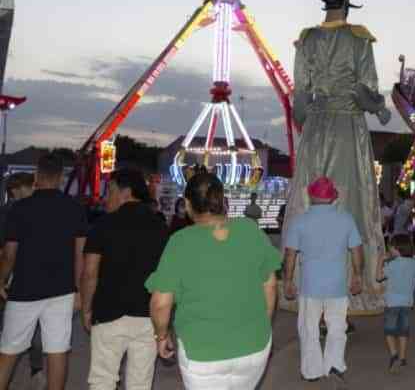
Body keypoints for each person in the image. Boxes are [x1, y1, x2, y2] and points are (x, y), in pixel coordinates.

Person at [282, 0, 389, 314]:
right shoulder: (359, 39)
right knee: (350, 203)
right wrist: (379, 108)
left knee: (309, 201)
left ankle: (306, 286)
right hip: (347, 127)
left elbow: (300, 99)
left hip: (316, 128)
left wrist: (308, 122)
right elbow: (365, 91)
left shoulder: (307, 39)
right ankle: (350, 289)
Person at [146, 172, 281, 389]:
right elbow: (270, 285)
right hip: (254, 348)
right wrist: (260, 325)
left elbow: (161, 304)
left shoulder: (180, 242)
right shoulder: (250, 231)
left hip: (202, 354)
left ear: (187, 204)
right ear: (222, 199)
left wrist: (161, 336)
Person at [0, 155, 88, 390]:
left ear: (37, 176)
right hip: (62, 291)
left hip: (24, 290)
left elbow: (9, 254)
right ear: (60, 178)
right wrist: (79, 291)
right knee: (57, 351)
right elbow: (80, 254)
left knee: (8, 350)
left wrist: (1, 279)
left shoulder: (19, 209)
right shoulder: (74, 209)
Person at [81, 168, 169, 390]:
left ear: (126, 192)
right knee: (140, 383)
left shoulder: (102, 225)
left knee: (103, 380)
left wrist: (86, 308)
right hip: (147, 316)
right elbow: (166, 276)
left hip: (109, 313)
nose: (106, 197)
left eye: (110, 191)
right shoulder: (160, 226)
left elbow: (90, 272)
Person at [283, 177, 363, 386]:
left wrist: (288, 280)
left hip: (310, 286)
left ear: (311, 196)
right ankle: (334, 365)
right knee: (337, 327)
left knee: (309, 329)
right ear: (333, 197)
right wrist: (357, 275)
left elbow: (290, 254)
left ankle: (312, 371)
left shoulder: (300, 221)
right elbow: (356, 249)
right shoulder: (346, 219)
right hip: (337, 285)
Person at [0, 173, 45, 386]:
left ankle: (34, 371)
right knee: (28, 330)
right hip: (19, 278)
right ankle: (36, 371)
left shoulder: (14, 211)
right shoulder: (11, 212)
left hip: (19, 278)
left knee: (18, 331)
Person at [375, 234, 415, 374]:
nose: (389, 250)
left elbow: (378, 277)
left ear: (396, 249)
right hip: (407, 304)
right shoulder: (412, 263)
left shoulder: (392, 264)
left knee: (389, 331)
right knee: (403, 331)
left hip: (392, 303)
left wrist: (380, 261)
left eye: (390, 247)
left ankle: (394, 354)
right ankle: (402, 358)